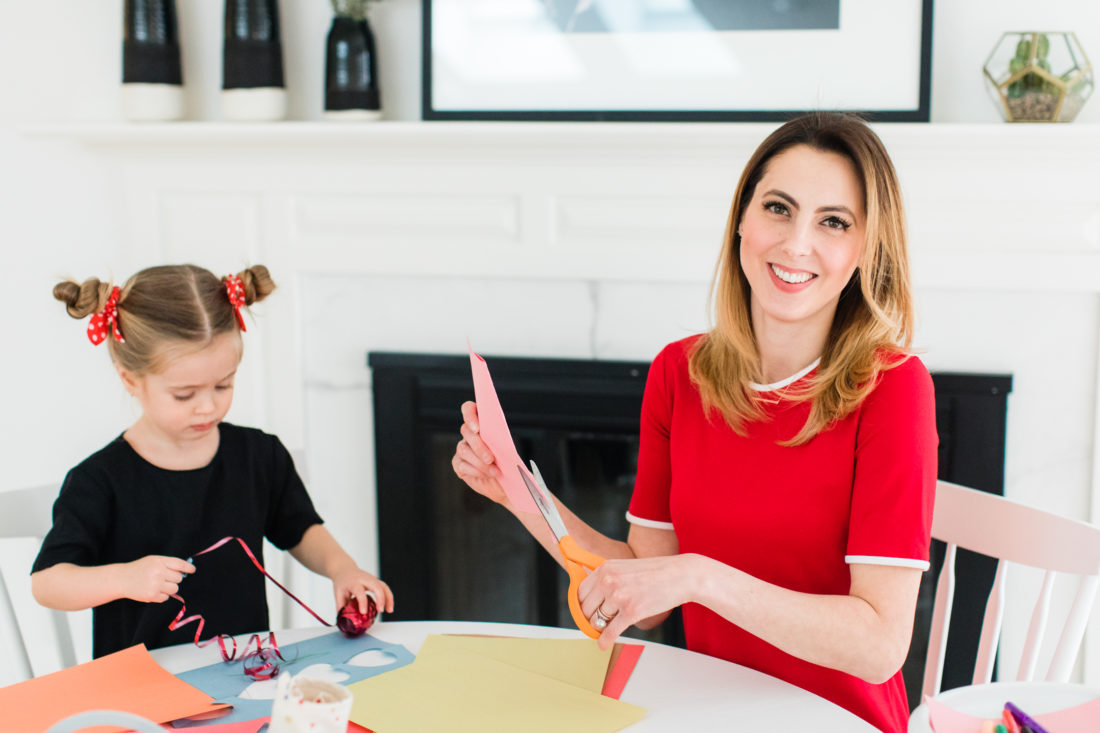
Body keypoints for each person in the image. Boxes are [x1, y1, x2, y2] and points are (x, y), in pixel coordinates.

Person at [451, 112, 937, 733]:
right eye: (779, 209)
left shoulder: (893, 388)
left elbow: (878, 647)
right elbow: (643, 591)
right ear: (742, 219)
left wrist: (700, 578)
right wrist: (518, 491)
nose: (795, 245)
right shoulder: (680, 373)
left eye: (833, 222)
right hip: (706, 712)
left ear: (867, 249)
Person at [32, 264, 394, 659]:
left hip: (243, 675)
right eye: (184, 394)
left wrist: (342, 568)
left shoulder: (259, 456)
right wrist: (124, 578)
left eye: (224, 384)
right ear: (131, 380)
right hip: (142, 695)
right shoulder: (100, 480)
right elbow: (48, 583)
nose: (207, 406)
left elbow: (301, 529)